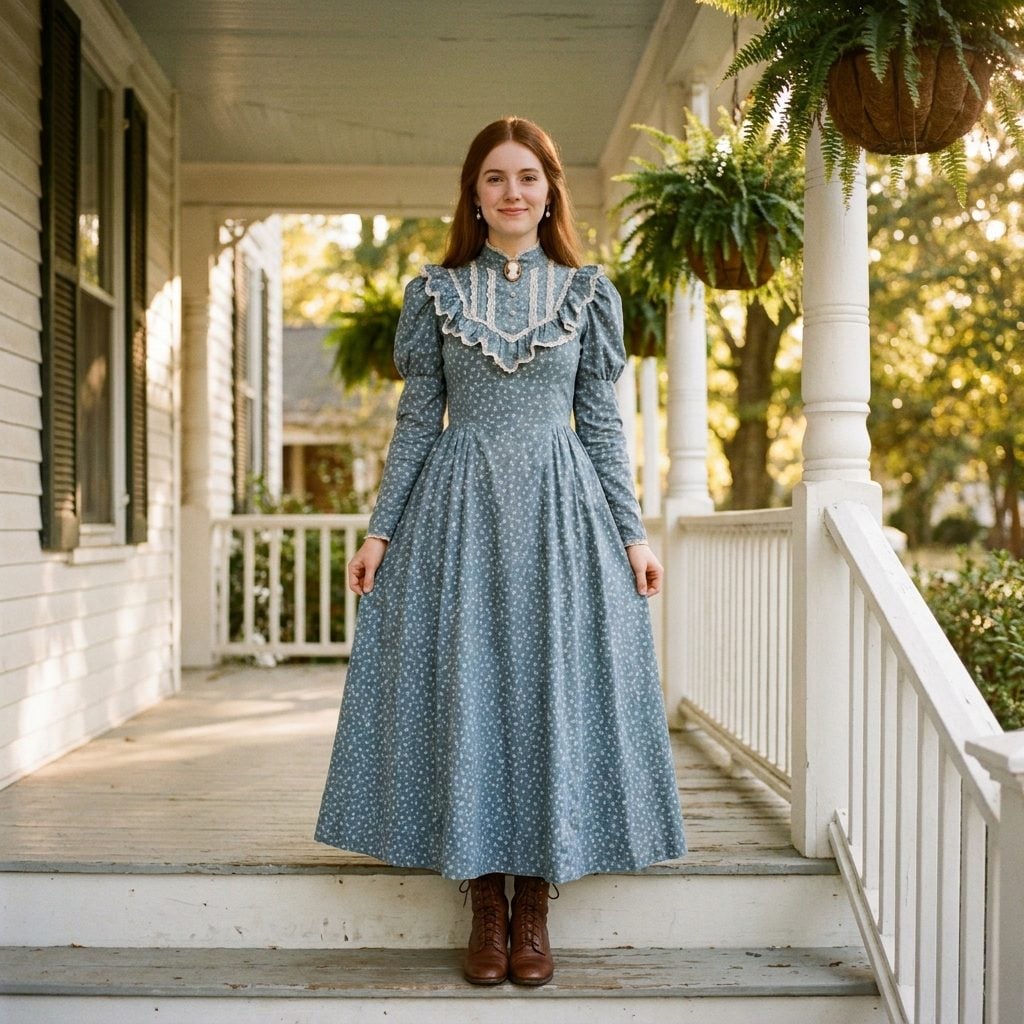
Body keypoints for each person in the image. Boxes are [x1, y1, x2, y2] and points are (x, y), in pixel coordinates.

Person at [315, 116, 686, 987]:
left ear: (550, 190)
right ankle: (485, 898)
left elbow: (600, 424)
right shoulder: (435, 293)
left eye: (527, 176)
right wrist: (381, 530)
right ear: (474, 196)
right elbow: (415, 424)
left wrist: (633, 534)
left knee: (550, 684)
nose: (512, 191)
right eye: (494, 178)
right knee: (470, 685)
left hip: (564, 513)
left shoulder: (590, 293)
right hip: (460, 510)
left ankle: (537, 902)